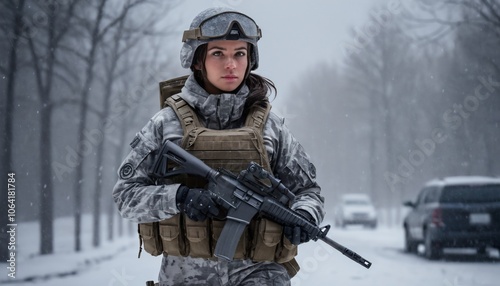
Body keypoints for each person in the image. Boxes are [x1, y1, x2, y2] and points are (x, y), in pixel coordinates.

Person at [113, 7, 325, 286]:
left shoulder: (271, 127)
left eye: (239, 53)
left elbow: (308, 191)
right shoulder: (165, 124)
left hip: (259, 274)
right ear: (197, 60)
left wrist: (304, 214)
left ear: (250, 59)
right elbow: (126, 197)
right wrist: (179, 197)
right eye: (218, 54)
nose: (231, 65)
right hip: (185, 276)